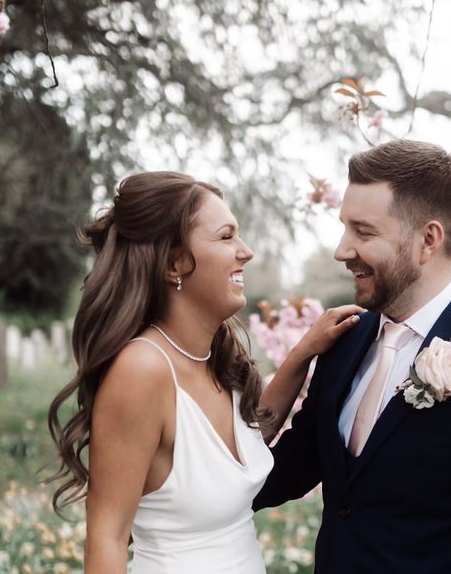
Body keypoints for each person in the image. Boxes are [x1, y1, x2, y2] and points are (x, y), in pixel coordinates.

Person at [254, 140, 451, 573]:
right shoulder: (342, 340)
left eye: (363, 232)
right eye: (344, 227)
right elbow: (292, 467)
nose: (341, 250)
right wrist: (181, 498)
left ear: (428, 240)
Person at [46, 172, 361, 574]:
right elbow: (107, 538)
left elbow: (230, 452)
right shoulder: (141, 371)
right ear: (174, 262)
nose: (245, 252)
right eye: (227, 236)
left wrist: (303, 353)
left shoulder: (214, 360)